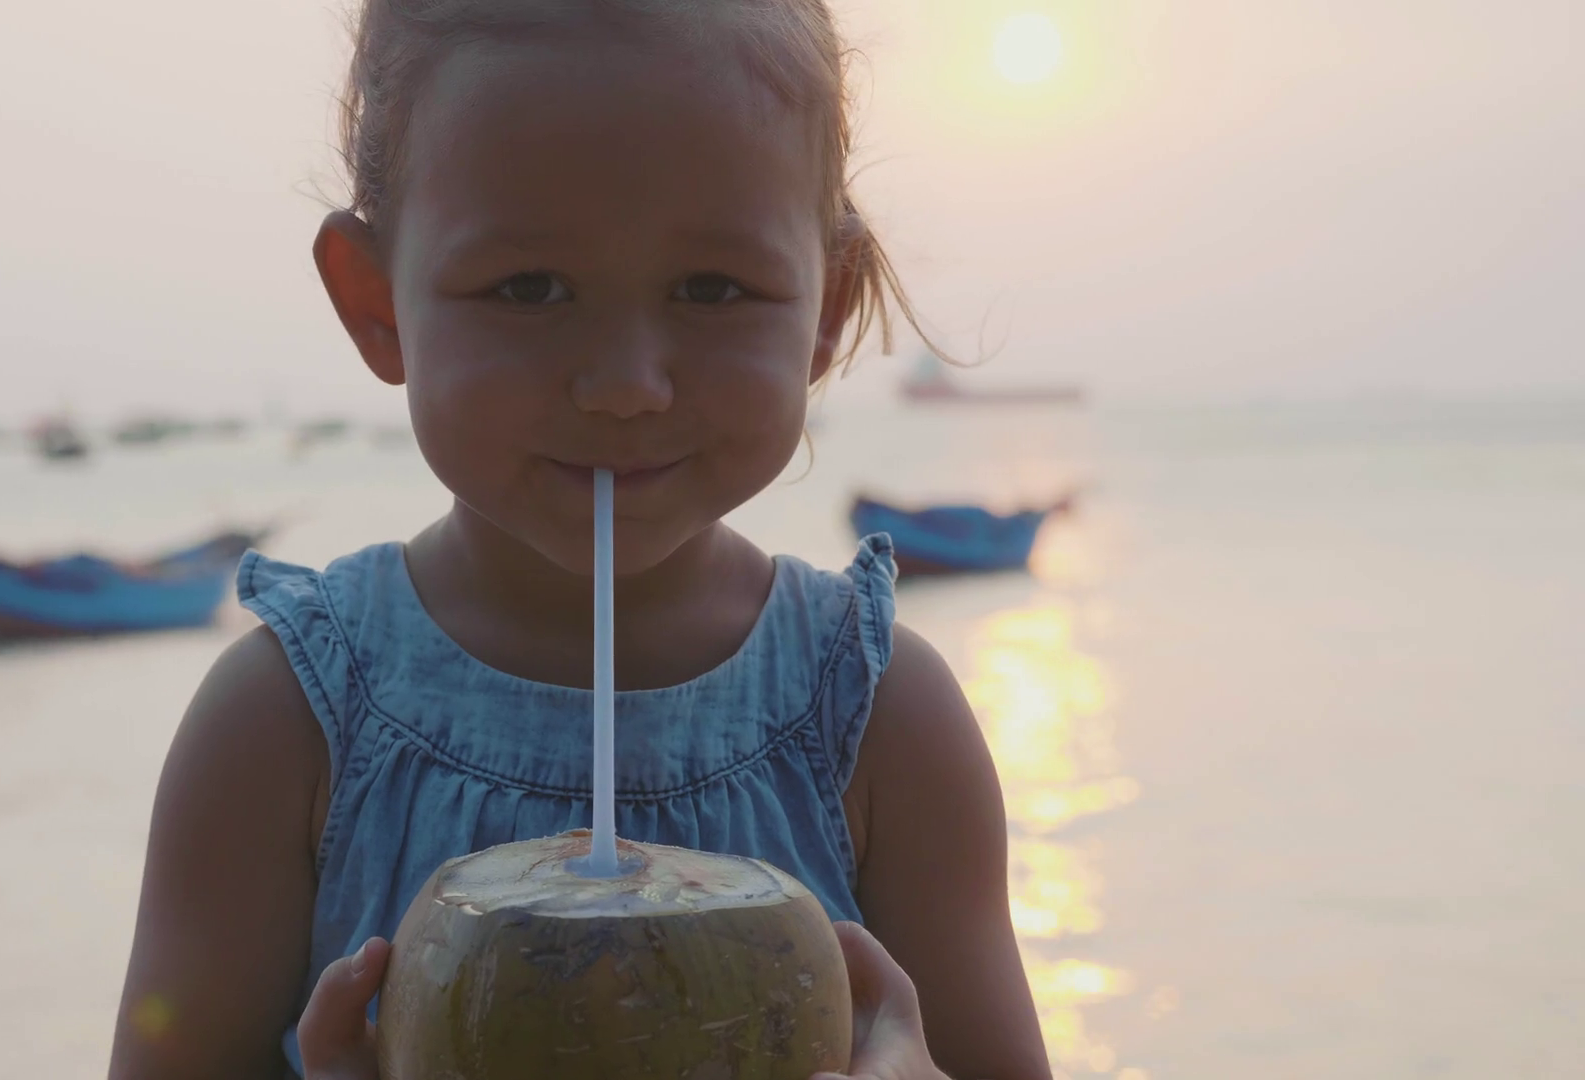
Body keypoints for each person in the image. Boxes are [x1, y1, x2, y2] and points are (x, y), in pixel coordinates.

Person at [109, 1, 1052, 1077]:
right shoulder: (284, 729)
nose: (623, 386)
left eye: (712, 288)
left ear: (827, 308)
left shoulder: (880, 722)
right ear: (377, 305)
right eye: (528, 288)